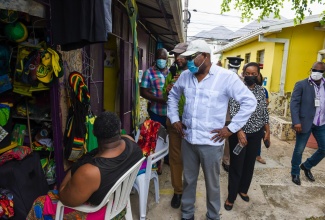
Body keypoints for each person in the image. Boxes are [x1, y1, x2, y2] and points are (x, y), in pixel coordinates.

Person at [167, 39, 257, 220]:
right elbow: (173, 96)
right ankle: (187, 214)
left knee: (212, 184)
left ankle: (213, 215)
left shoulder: (226, 77)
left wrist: (231, 128)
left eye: (192, 58)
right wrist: (175, 118)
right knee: (189, 180)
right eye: (187, 58)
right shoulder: (185, 76)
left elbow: (249, 102)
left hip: (211, 143)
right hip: (188, 139)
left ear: (205, 56)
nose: (187, 62)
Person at [27, 111, 143, 219]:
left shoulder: (90, 171)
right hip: (118, 201)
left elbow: (66, 198)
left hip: (99, 211)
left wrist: (75, 167)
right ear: (119, 129)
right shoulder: (130, 142)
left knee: (40, 203)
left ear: (93, 133)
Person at [224, 62, 270, 211]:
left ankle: (243, 189)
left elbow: (264, 112)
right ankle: (231, 196)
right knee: (236, 165)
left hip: (256, 134)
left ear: (258, 75)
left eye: (254, 74)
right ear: (243, 74)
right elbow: (234, 111)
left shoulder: (261, 91)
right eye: (247, 73)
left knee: (249, 164)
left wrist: (267, 131)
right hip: (239, 134)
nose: (250, 76)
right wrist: (239, 131)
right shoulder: (236, 90)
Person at [290, 61, 325, 186]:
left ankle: (307, 165)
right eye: (315, 70)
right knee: (299, 150)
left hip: (321, 123)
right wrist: (296, 122)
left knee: (323, 148)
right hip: (304, 122)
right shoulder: (301, 84)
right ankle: (295, 172)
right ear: (311, 69)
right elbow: (294, 104)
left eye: (320, 71)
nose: (317, 73)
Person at [163, 43, 188, 209]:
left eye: (181, 55)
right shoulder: (171, 73)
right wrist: (170, 88)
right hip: (174, 121)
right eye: (175, 55)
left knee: (192, 158)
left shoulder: (196, 74)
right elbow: (165, 93)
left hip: (192, 122)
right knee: (175, 157)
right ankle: (178, 191)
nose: (177, 58)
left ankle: (189, 189)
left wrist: (185, 84)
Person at [141, 48, 169, 166]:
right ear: (155, 59)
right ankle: (157, 163)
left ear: (167, 59)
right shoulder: (149, 72)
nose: (161, 61)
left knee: (170, 137)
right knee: (156, 137)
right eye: (159, 58)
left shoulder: (172, 72)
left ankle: (168, 160)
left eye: (163, 59)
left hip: (171, 113)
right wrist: (159, 100)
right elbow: (143, 91)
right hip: (156, 111)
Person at [222, 56, 245, 173]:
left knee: (234, 137)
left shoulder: (242, 80)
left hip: (238, 113)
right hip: (226, 113)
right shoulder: (223, 77)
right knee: (227, 137)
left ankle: (231, 159)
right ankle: (226, 160)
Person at [256, 72, 270, 164]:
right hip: (248, 119)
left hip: (261, 118)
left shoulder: (263, 90)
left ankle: (258, 155)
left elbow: (267, 102)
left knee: (259, 137)